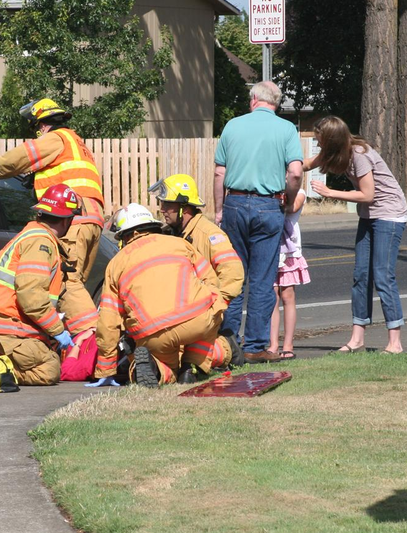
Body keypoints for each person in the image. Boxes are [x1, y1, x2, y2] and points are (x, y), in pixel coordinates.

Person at [0, 98, 104, 337]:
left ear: (42, 124)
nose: (38, 133)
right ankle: (81, 350)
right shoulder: (76, 143)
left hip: (72, 220)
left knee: (69, 286)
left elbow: (18, 158)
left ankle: (95, 344)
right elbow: (64, 175)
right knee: (73, 286)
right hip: (91, 219)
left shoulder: (54, 138)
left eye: (37, 128)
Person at [93, 204, 241, 387]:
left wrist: (106, 370)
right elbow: (211, 281)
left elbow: (108, 321)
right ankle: (195, 365)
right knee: (210, 314)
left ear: (125, 236)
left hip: (152, 333)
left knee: (167, 365)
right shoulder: (180, 244)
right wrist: (214, 305)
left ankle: (157, 369)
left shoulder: (115, 264)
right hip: (196, 320)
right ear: (153, 226)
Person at [213, 80, 304, 364]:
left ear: (253, 99)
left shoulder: (232, 125)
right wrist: (287, 200)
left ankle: (228, 344)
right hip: (269, 205)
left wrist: (219, 210)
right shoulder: (287, 129)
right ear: (275, 104)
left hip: (235, 203)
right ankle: (254, 347)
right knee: (263, 280)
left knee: (233, 276)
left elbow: (219, 173)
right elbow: (296, 173)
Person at [307, 116, 407, 354]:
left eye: (320, 141)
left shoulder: (360, 154)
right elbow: (304, 165)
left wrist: (330, 192)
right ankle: (357, 339)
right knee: (360, 275)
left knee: (383, 276)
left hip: (389, 214)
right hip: (368, 216)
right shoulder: (336, 152)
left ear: (332, 141)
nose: (318, 145)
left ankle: (395, 343)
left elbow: (368, 195)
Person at [0, 184, 80, 385]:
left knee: (45, 355)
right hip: (4, 325)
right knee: (49, 368)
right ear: (67, 219)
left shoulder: (33, 235)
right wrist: (57, 331)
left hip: (4, 322)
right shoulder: (41, 242)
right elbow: (32, 296)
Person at [149, 173, 245, 308]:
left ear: (184, 207)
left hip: (205, 315)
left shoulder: (209, 234)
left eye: (167, 204)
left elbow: (233, 274)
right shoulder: (170, 233)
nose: (162, 209)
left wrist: (215, 306)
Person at [268, 188, 310, 360]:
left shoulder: (299, 192)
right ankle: (272, 345)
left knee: (288, 296)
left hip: (289, 251)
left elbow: (292, 207)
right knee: (272, 298)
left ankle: (288, 344)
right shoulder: (269, 189)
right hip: (270, 247)